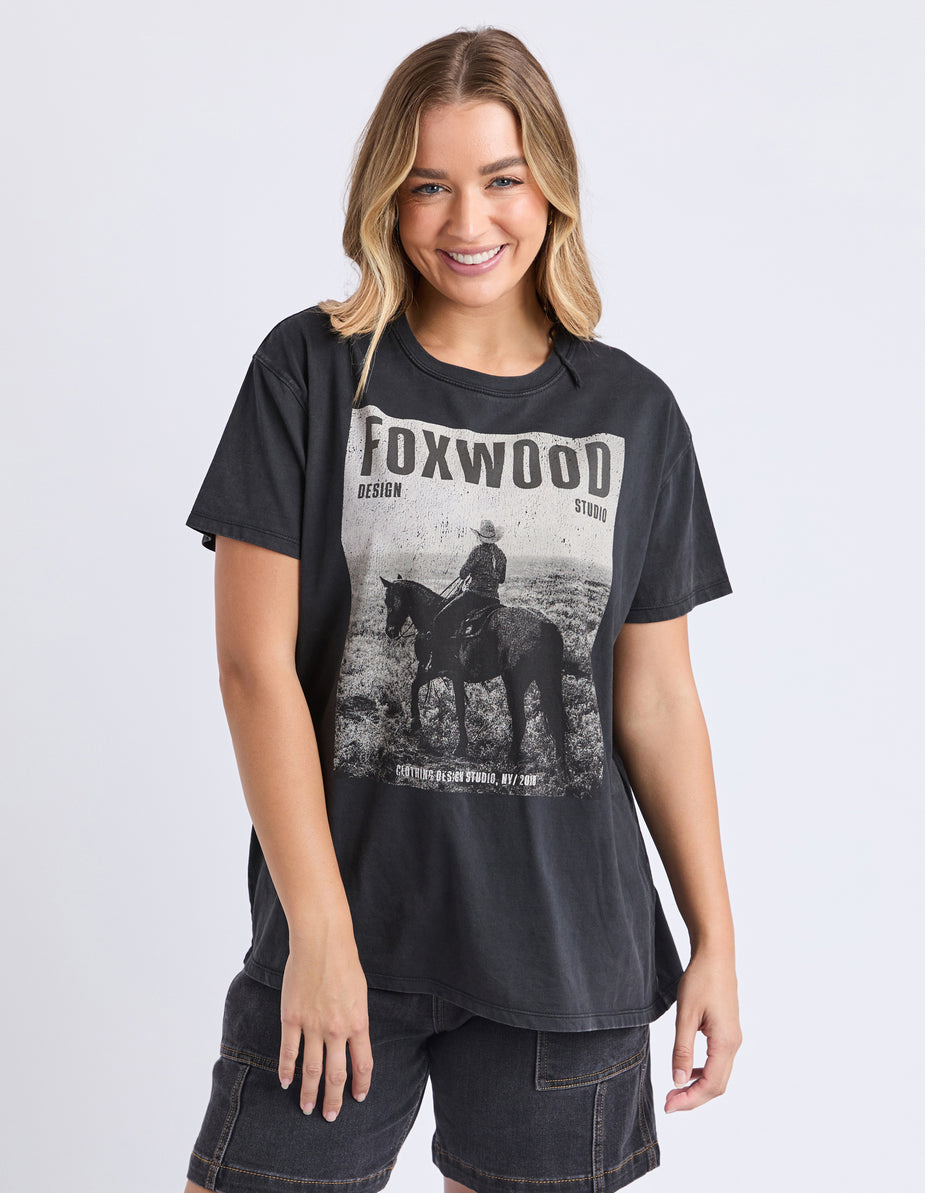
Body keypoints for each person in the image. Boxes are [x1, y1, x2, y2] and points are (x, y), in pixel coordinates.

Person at [182, 26, 742, 1193]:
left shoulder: (633, 411)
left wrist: (714, 939)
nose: (465, 219)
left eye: (500, 179)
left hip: (567, 957)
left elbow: (654, 699)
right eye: (428, 184)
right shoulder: (312, 371)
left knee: (479, 632)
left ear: (551, 188)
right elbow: (253, 667)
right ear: (387, 196)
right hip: (345, 940)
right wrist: (317, 933)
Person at [420, 517, 505, 671]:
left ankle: (436, 660)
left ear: (480, 537)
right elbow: (502, 579)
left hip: (474, 597)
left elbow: (463, 573)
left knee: (440, 620)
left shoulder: (477, 551)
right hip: (493, 601)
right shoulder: (501, 555)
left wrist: (474, 573)